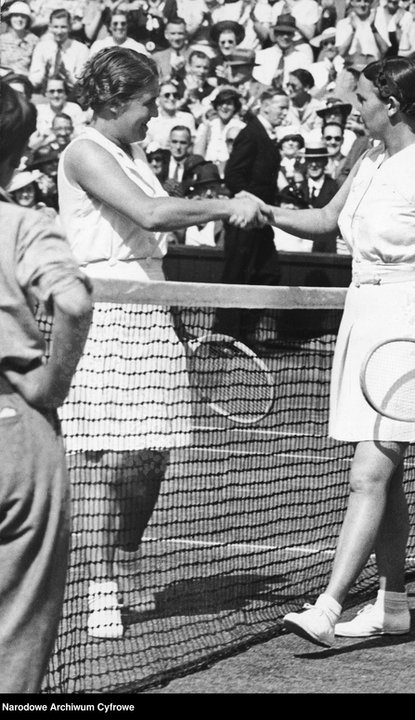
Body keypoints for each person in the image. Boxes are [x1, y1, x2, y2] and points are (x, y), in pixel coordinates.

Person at [245, 57, 415, 646]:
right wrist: (262, 210)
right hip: (363, 316)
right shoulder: (369, 157)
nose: (353, 109)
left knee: (369, 472)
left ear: (392, 104)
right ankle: (392, 604)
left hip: (410, 320)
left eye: (362, 99)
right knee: (387, 476)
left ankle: (327, 607)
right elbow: (325, 219)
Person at [55, 46, 267, 640]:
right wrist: (229, 203)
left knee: (152, 453)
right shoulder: (82, 152)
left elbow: (153, 219)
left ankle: (126, 556)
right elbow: (149, 214)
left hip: (150, 303)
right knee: (99, 455)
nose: (154, 113)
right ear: (115, 100)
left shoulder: (134, 150)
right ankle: (100, 583)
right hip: (103, 307)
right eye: (148, 102)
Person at [0, 80, 93, 693]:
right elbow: (74, 301)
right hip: (15, 436)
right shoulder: (26, 225)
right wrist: (49, 388)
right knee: (16, 648)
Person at [213, 88, 288, 348]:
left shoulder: (264, 134)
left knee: (269, 273)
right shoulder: (251, 133)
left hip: (261, 222)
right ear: (265, 106)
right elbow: (233, 175)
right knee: (236, 276)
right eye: (281, 107)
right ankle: (223, 338)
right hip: (244, 221)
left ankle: (242, 335)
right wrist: (248, 203)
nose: (285, 113)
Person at [28, 8, 89, 95]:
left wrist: (67, 74)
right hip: (45, 93)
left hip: (71, 95)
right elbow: (34, 78)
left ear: (70, 27)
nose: (59, 32)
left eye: (63, 27)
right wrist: (44, 74)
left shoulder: (81, 49)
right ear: (50, 27)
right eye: (55, 27)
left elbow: (82, 83)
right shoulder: (41, 47)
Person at [0, 1, 39, 76]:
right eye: (16, 15)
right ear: (10, 18)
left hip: (24, 79)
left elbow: (37, 69)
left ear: (28, 20)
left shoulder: (34, 41)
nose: (19, 19)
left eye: (23, 16)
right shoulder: (2, 39)